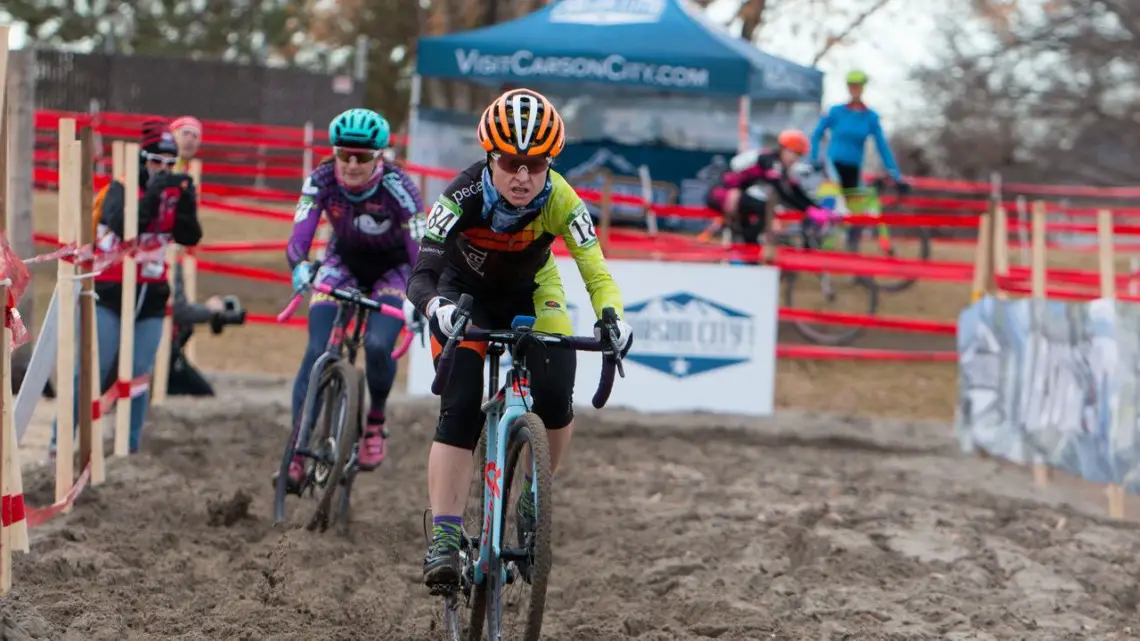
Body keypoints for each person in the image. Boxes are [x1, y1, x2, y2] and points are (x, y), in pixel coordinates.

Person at [406, 88, 634, 589]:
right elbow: (421, 275)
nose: (524, 176)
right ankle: (445, 538)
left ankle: (534, 493)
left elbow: (595, 271)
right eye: (511, 162)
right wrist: (435, 308)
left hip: (533, 290)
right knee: (460, 405)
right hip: (462, 293)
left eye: (536, 164)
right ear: (491, 157)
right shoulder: (461, 195)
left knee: (556, 392)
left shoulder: (560, 197)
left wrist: (612, 315)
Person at [277, 108, 424, 493]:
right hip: (342, 261)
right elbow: (300, 235)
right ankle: (295, 452)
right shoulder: (321, 179)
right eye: (345, 154)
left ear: (381, 156)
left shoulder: (401, 188)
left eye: (363, 156)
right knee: (314, 353)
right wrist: (299, 265)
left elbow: (420, 250)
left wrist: (420, 294)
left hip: (393, 271)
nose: (353, 164)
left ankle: (374, 418)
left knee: (378, 345)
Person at [51, 119, 202, 454]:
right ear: (142, 160)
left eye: (168, 164)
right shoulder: (121, 188)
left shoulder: (174, 193)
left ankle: (129, 446)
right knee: (93, 367)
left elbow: (190, 235)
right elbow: (125, 227)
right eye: (154, 163)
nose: (162, 170)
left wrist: (186, 199)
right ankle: (58, 443)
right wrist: (154, 192)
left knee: (138, 371)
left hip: (151, 293)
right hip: (108, 292)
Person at [706, 129, 836, 248]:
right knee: (763, 209)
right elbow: (783, 193)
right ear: (783, 149)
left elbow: (795, 191)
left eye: (799, 155)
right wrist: (809, 209)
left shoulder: (779, 166)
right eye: (793, 153)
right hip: (720, 194)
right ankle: (747, 246)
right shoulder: (769, 160)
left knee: (759, 213)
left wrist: (818, 208)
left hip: (732, 195)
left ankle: (748, 249)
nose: (795, 159)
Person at [809, 70, 906, 192]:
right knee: (837, 201)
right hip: (833, 164)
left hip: (855, 166)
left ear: (863, 88)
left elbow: (882, 146)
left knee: (855, 203)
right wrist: (814, 159)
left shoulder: (870, 117)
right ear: (848, 88)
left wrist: (894, 173)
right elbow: (817, 134)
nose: (855, 89)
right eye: (852, 86)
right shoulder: (835, 111)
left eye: (858, 86)